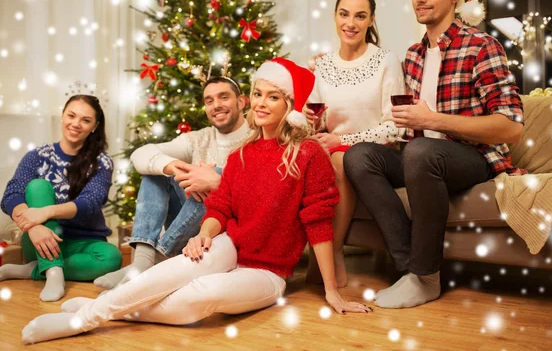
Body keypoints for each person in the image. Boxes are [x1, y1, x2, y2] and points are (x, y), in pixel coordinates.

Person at [21, 58, 372, 345]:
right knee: (176, 270)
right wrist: (204, 233)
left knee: (196, 298)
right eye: (258, 94)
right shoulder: (242, 155)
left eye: (273, 97)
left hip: (268, 272)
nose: (262, 103)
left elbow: (318, 220)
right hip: (229, 245)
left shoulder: (307, 154)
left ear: (290, 107)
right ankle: (86, 319)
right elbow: (220, 206)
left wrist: (332, 292)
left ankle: (104, 306)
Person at [344, 0, 525, 309]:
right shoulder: (412, 55)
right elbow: (399, 122)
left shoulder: (481, 46)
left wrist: (432, 121)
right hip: (419, 157)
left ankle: (426, 277)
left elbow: (511, 128)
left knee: (421, 150)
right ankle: (410, 267)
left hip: (471, 158)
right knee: (360, 156)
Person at [93, 76, 250, 290]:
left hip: (226, 229)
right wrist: (173, 166)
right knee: (156, 170)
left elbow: (263, 193)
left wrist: (216, 181)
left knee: (212, 173)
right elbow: (141, 154)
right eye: (209, 101)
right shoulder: (198, 138)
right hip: (191, 229)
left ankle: (152, 262)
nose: (217, 106)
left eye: (224, 97)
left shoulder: (256, 137)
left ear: (241, 102)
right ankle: (141, 262)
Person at [304, 0, 404, 288]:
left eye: (360, 16)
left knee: (338, 159)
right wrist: (312, 121)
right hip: (332, 150)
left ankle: (332, 254)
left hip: (378, 156)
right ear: (334, 16)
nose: (351, 23)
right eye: (344, 14)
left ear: (372, 20)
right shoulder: (321, 65)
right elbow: (319, 126)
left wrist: (343, 141)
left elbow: (397, 126)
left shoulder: (386, 61)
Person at [0, 94, 121, 302]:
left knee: (112, 258)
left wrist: (46, 211)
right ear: (62, 116)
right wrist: (35, 227)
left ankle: (34, 270)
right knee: (38, 186)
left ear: (94, 126)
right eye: (71, 116)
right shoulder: (37, 156)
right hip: (40, 239)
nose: (76, 124)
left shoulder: (102, 162)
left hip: (85, 241)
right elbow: (11, 194)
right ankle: (53, 272)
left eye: (85, 120)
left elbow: (92, 201)